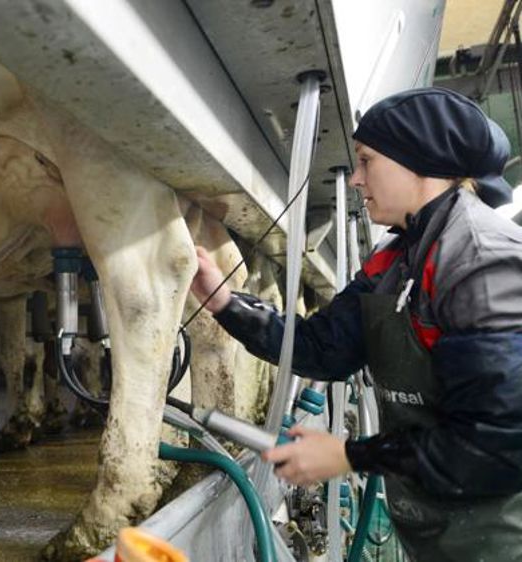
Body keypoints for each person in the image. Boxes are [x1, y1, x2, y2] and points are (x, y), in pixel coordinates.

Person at [190, 86, 522, 561]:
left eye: (368, 161)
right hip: (437, 531)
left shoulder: (479, 260)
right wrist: (222, 300)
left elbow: (494, 446)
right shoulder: (395, 260)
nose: (358, 180)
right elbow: (320, 348)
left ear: (418, 160)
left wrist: (349, 455)